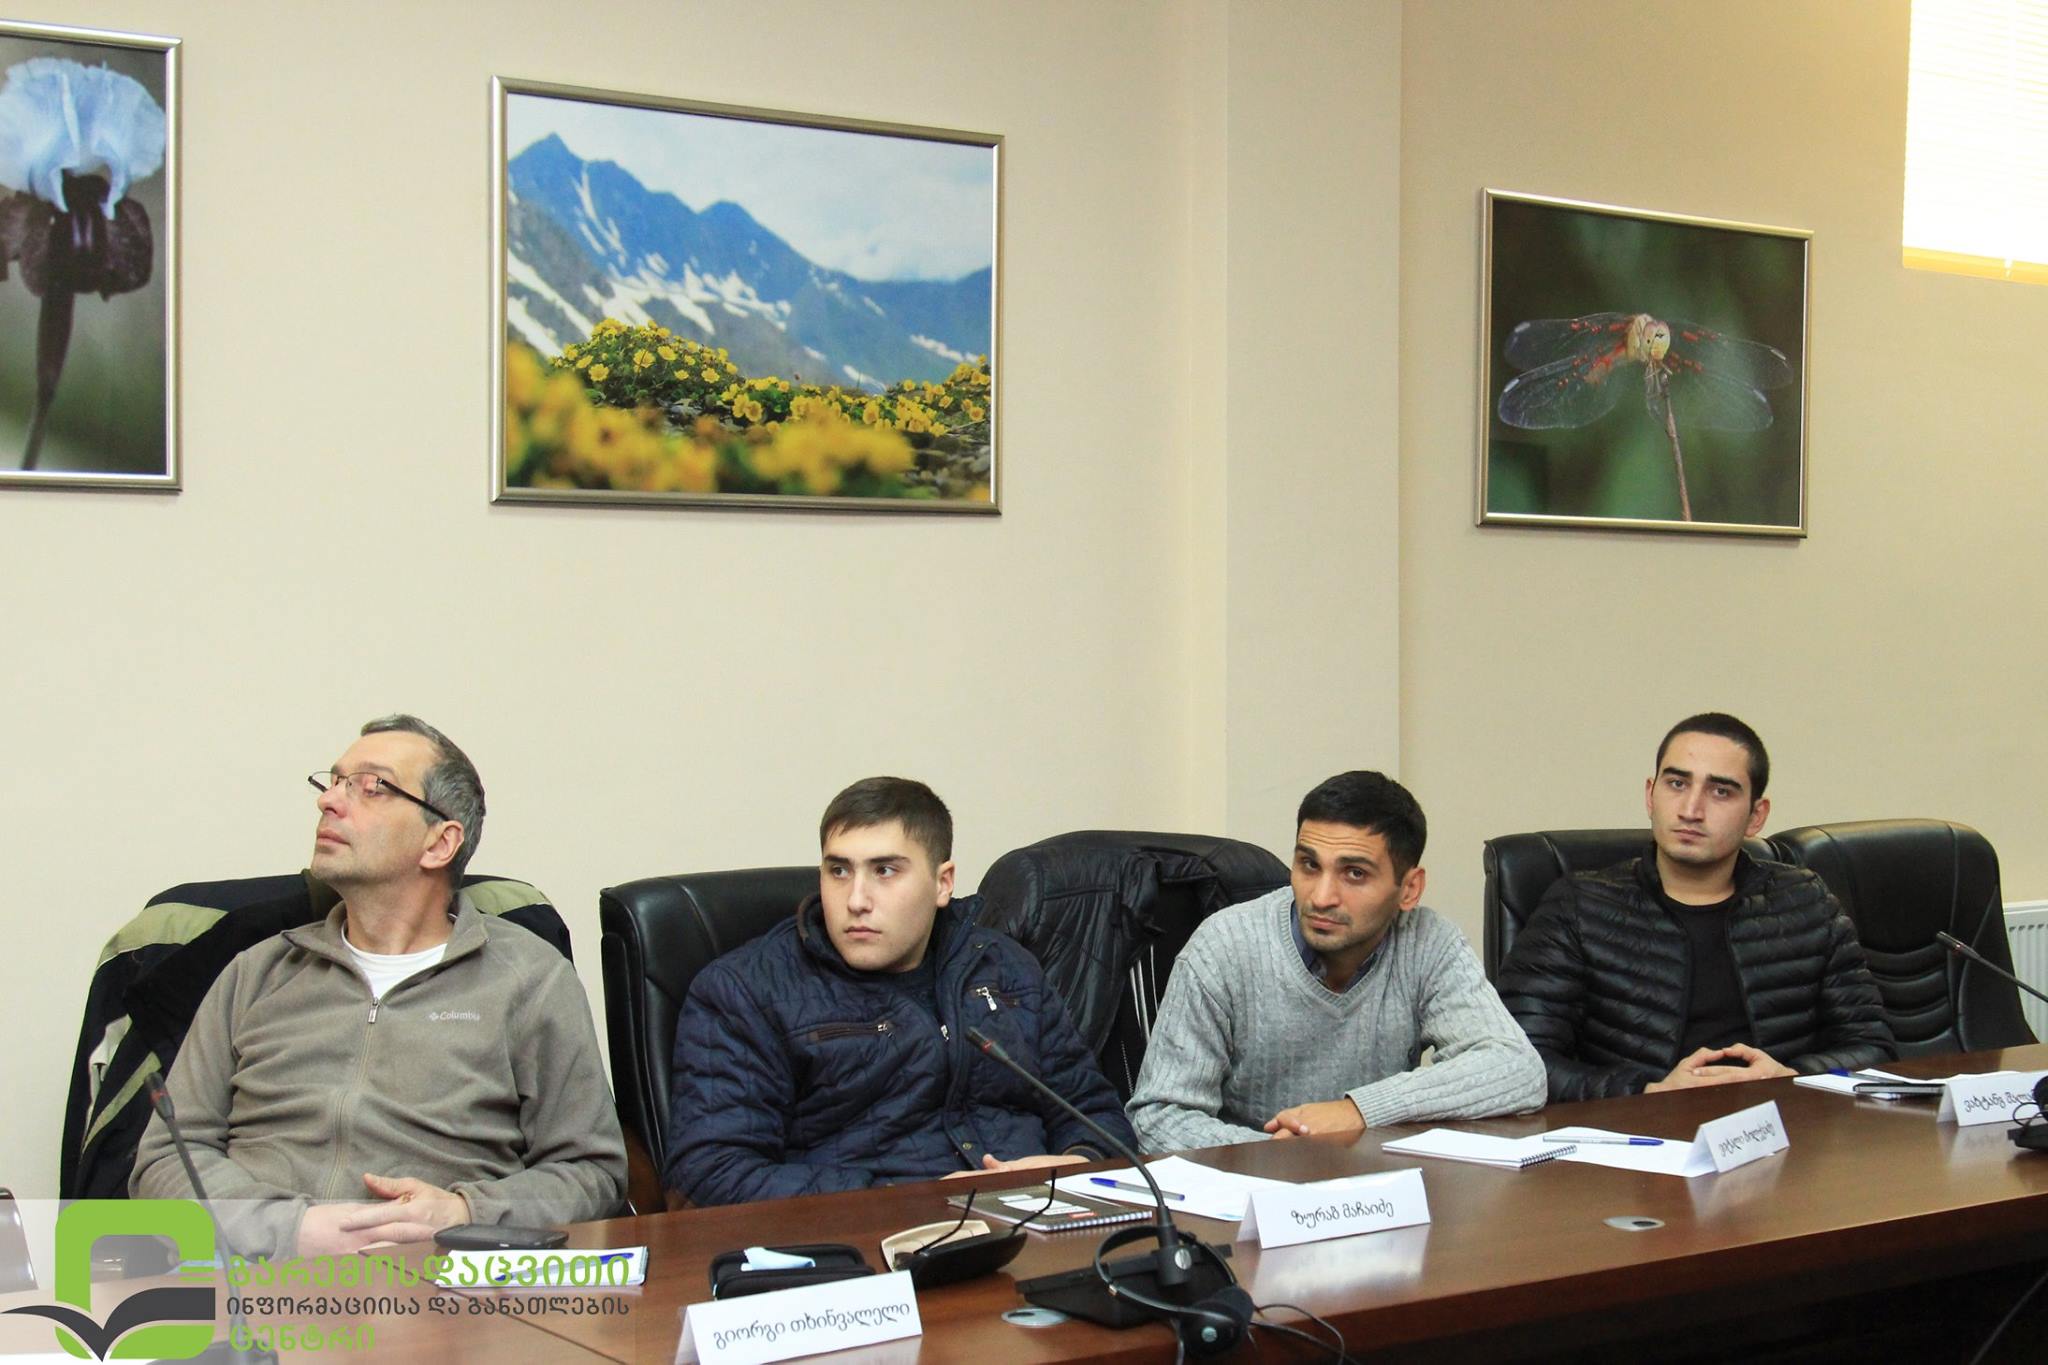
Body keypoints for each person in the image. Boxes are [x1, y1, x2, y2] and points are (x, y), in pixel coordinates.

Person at [132, 715, 625, 1256]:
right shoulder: (257, 972)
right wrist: (290, 1229)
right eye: (333, 782)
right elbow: (165, 1158)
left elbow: (593, 1174)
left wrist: (466, 1213)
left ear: (439, 842)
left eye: (372, 787)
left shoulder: (530, 978)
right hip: (252, 1276)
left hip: (438, 1286)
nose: (329, 802)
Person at [666, 777, 1136, 1207]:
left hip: (1037, 1219)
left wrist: (1075, 1165)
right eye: (838, 871)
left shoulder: (1005, 967)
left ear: (942, 883)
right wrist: (908, 1199)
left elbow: (1094, 1112)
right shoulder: (745, 990)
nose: (856, 900)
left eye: (885, 871)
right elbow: (710, 1173)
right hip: (862, 1238)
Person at [1126, 771, 1545, 1153]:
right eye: (1309, 865)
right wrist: (1291, 1154)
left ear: (1409, 889)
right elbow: (1158, 1118)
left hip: (1377, 1191)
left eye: (1355, 873)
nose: (1321, 896)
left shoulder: (1428, 942)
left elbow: (1518, 1070)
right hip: (1250, 1189)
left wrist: (1357, 1111)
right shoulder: (1224, 946)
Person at [1496, 712, 1895, 1101]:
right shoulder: (1579, 907)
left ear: (1756, 816)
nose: (1691, 810)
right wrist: (1649, 1092)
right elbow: (1519, 1062)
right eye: (1676, 784)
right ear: (1650, 795)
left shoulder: (1806, 902)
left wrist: (1789, 1077)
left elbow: (1872, 1047)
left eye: (1721, 791)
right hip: (1642, 1133)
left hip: (1780, 1127)